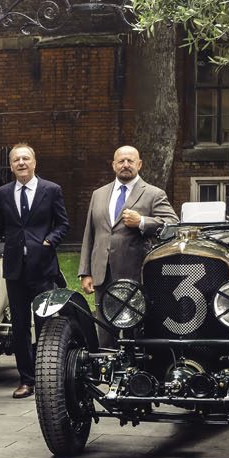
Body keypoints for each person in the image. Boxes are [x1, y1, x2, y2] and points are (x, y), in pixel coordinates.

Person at [0, 143, 68, 398]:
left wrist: (49, 241)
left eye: (26, 158)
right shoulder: (3, 193)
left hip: (43, 268)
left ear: (34, 162)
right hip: (15, 270)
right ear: (11, 165)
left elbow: (63, 223)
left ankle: (48, 377)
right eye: (16, 160)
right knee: (20, 327)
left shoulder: (51, 190)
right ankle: (26, 380)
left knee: (45, 324)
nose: (21, 163)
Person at [78, 145, 178, 344]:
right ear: (113, 165)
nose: (125, 165)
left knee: (135, 327)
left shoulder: (153, 193)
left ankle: (137, 372)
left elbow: (173, 225)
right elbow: (90, 234)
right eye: (121, 161)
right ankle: (106, 370)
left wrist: (142, 221)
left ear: (139, 164)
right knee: (105, 329)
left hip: (135, 273)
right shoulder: (99, 194)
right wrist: (86, 271)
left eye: (130, 161)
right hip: (103, 273)